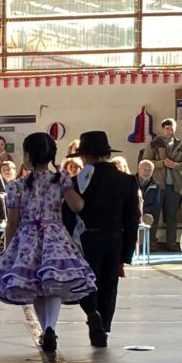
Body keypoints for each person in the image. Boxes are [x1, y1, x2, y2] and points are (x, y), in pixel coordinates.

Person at [0, 132, 94, 351]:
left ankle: (46, 331)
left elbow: (12, 220)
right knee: (53, 285)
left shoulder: (16, 186)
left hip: (28, 238)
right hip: (55, 237)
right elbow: (77, 206)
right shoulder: (60, 179)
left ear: (28, 156)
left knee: (34, 285)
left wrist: (8, 249)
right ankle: (51, 327)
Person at [70, 131, 140, 348]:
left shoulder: (77, 181)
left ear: (85, 156)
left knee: (87, 282)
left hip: (86, 238)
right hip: (114, 237)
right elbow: (132, 219)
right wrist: (127, 252)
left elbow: (68, 215)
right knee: (109, 284)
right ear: (107, 154)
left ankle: (92, 313)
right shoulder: (127, 181)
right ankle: (105, 327)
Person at [144, 118, 182, 250]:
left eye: (172, 128)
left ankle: (171, 242)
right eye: (167, 128)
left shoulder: (179, 144)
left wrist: (176, 165)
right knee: (155, 214)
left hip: (173, 185)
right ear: (163, 129)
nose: (170, 131)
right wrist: (161, 163)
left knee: (172, 215)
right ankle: (151, 242)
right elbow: (146, 161)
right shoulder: (154, 144)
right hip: (158, 184)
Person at [136, 159, 162, 245]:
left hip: (146, 212)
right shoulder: (130, 181)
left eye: (149, 170)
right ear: (138, 169)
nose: (147, 172)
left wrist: (143, 212)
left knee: (148, 218)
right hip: (132, 212)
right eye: (144, 169)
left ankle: (137, 245)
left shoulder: (156, 185)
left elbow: (155, 204)